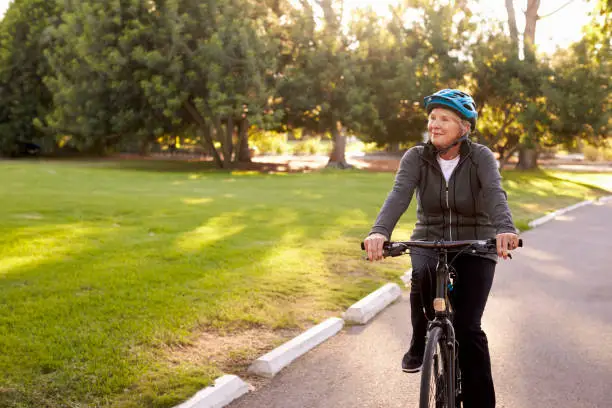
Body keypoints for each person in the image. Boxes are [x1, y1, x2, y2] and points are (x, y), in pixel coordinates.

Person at [363, 89, 519, 408]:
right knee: (420, 273)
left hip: (475, 242)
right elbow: (398, 195)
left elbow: (494, 193)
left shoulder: (480, 157)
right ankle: (421, 339)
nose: (434, 124)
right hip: (429, 237)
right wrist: (379, 232)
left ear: (464, 128)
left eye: (444, 119)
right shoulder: (416, 157)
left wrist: (504, 228)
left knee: (468, 327)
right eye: (432, 118)